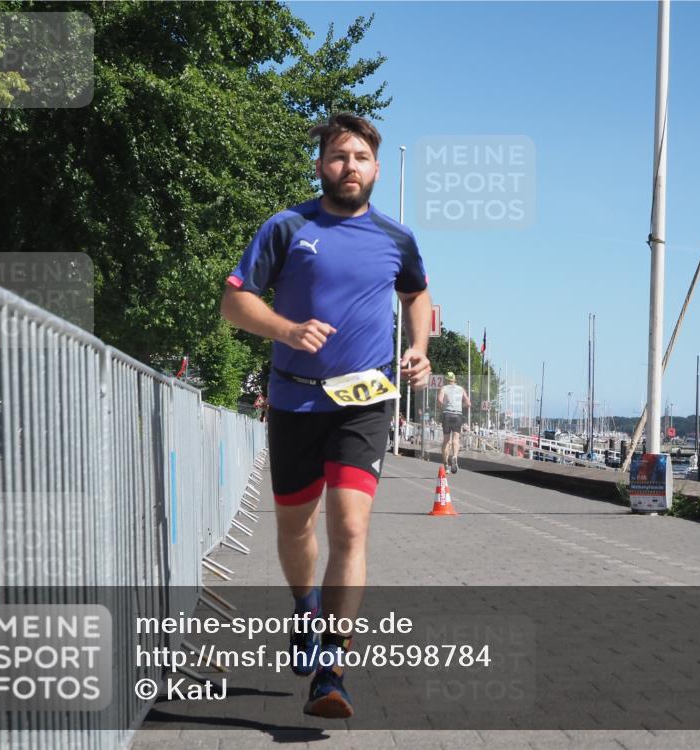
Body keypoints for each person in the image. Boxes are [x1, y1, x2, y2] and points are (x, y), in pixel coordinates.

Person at [220, 113, 431, 719]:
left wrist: (419, 348)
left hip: (365, 401)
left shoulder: (397, 239)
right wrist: (286, 329)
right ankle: (304, 609)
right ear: (320, 166)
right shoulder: (287, 228)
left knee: (351, 526)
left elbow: (416, 294)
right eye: (339, 157)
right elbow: (234, 301)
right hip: (293, 398)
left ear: (377, 169)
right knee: (294, 529)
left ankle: (332, 667)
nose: (349, 168)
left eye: (360, 158)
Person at [438, 371, 470, 473]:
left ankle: (446, 464)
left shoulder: (444, 388)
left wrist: (442, 406)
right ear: (455, 379)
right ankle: (455, 457)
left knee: (446, 441)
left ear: (447, 380)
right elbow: (468, 403)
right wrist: (461, 406)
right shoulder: (461, 389)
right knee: (456, 439)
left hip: (447, 414)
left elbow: (439, 400)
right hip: (458, 415)